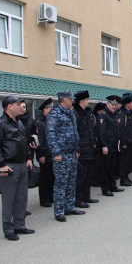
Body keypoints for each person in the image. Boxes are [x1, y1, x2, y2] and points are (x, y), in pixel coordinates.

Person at [0, 96, 36, 241]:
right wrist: (1, 164)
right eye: (18, 105)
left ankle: (19, 225)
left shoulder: (19, 123)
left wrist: (29, 158)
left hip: (22, 164)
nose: (21, 107)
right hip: (9, 165)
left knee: (22, 198)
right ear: (9, 106)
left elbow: (24, 141)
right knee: (9, 199)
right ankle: (8, 229)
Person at [46, 91, 83, 222]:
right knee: (61, 184)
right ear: (65, 100)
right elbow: (50, 134)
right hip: (61, 155)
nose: (72, 101)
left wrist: (77, 149)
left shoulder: (70, 113)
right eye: (70, 99)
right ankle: (58, 211)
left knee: (72, 182)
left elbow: (75, 133)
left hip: (72, 154)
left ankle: (69, 207)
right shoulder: (55, 113)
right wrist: (56, 152)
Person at [73, 91, 99, 208]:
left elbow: (91, 130)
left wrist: (93, 143)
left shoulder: (88, 113)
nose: (89, 101)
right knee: (80, 176)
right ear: (81, 101)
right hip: (81, 149)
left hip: (89, 148)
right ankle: (78, 199)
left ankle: (86, 196)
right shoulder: (75, 114)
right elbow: (75, 134)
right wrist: (77, 149)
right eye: (87, 99)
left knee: (88, 174)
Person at [96, 95, 125, 196]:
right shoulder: (103, 115)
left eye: (115, 105)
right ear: (107, 104)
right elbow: (101, 132)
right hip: (106, 147)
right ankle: (105, 188)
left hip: (113, 146)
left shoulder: (113, 115)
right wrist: (104, 146)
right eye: (112, 104)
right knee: (105, 168)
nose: (113, 106)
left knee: (112, 168)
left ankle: (113, 186)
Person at [35, 98, 54, 208]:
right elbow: (39, 141)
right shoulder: (40, 123)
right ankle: (44, 199)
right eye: (50, 109)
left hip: (51, 154)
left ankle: (50, 196)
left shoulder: (50, 121)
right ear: (45, 110)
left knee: (52, 177)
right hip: (45, 155)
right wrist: (40, 155)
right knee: (44, 178)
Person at [117, 95, 132, 183]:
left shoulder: (130, 113)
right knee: (124, 162)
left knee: (129, 161)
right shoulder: (122, 114)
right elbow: (121, 130)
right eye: (131, 103)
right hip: (126, 142)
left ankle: (126, 177)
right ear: (127, 104)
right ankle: (123, 178)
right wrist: (123, 142)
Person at [91, 102, 106, 187]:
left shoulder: (101, 117)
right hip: (96, 143)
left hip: (100, 143)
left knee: (100, 163)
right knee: (96, 163)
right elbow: (93, 130)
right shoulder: (94, 117)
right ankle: (94, 180)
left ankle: (98, 179)